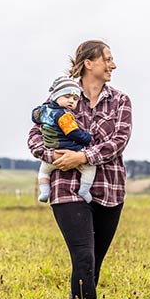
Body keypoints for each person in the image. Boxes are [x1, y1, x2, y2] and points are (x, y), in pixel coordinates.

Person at [28, 40, 132, 299]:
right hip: (67, 187)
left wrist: (83, 156)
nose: (113, 64)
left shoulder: (121, 101)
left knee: (93, 263)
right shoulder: (60, 96)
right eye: (107, 59)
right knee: (83, 256)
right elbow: (36, 135)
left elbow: (119, 141)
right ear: (89, 63)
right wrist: (53, 157)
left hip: (109, 187)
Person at [31, 75, 95, 203]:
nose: (71, 101)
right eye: (67, 97)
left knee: (43, 172)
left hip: (52, 152)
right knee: (90, 169)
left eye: (75, 99)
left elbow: (34, 117)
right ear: (56, 96)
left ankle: (44, 191)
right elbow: (73, 133)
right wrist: (87, 138)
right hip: (70, 151)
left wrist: (40, 111)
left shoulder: (44, 110)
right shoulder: (64, 116)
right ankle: (84, 190)